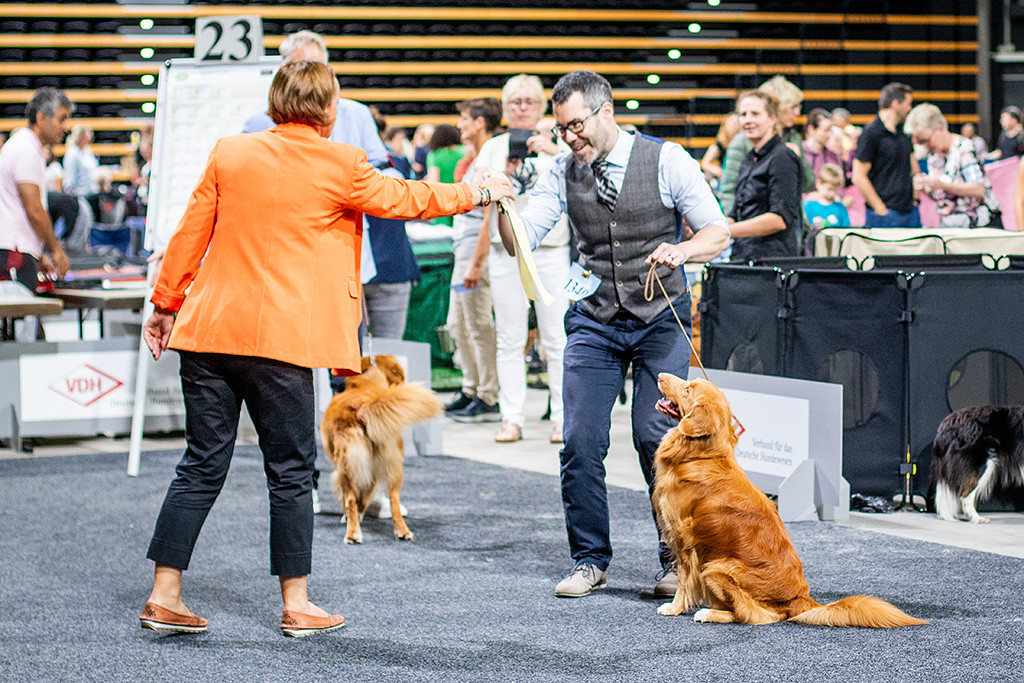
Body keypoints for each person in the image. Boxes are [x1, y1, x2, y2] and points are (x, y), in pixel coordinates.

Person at [138, 60, 512, 637]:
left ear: (274, 101)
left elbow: (190, 234)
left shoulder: (229, 153)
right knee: (289, 472)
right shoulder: (340, 162)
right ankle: (297, 604)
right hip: (279, 342)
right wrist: (477, 190)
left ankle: (165, 594)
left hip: (207, 333)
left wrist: (165, 306)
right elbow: (406, 199)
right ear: (330, 110)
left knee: (200, 463)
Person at [495, 70, 729, 598]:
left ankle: (674, 559)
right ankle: (589, 559)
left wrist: (683, 250)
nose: (570, 137)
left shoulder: (667, 159)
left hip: (659, 320)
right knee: (578, 439)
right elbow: (520, 243)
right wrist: (502, 206)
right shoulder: (560, 171)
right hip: (593, 320)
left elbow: (716, 230)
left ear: (606, 112)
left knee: (656, 437)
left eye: (576, 125)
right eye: (562, 129)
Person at [474, 73, 571, 443]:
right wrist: (503, 178)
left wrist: (551, 150)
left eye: (529, 101)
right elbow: (479, 192)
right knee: (509, 338)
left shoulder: (560, 145)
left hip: (551, 249)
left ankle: (562, 418)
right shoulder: (494, 148)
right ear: (505, 107)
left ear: (541, 107)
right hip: (506, 250)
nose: (522, 107)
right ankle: (511, 417)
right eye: (515, 101)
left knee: (557, 338)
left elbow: (582, 179)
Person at [444, 97, 503, 423]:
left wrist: (477, 262)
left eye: (465, 119)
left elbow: (488, 216)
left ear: (480, 122)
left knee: (479, 324)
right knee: (459, 324)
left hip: (474, 252)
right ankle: (471, 388)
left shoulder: (491, 158)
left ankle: (488, 396)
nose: (460, 125)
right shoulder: (474, 159)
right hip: (462, 249)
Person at [0, 87, 71, 296]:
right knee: (20, 325)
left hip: (16, 250)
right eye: (61, 119)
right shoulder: (26, 149)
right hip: (13, 252)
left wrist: (38, 254)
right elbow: (33, 209)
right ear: (41, 118)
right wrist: (57, 250)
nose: (66, 127)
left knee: (27, 325)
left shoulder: (24, 146)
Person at [718, 76, 814, 216]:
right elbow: (728, 191)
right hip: (752, 226)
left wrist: (797, 161)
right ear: (778, 108)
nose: (797, 112)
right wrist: (733, 227)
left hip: (790, 224)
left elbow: (808, 184)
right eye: (793, 107)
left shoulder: (793, 137)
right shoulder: (742, 141)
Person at [728, 90, 803, 261]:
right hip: (742, 257)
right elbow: (736, 214)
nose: (747, 120)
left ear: (772, 118)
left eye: (755, 114)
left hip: (770, 264)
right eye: (743, 114)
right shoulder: (749, 158)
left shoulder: (782, 157)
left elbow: (779, 219)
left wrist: (725, 231)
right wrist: (707, 228)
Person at [906, 103, 1001, 228]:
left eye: (926, 140)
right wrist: (925, 187)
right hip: (952, 225)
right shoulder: (934, 157)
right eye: (921, 143)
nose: (925, 146)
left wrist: (940, 184)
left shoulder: (964, 148)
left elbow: (978, 189)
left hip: (980, 225)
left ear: (940, 128)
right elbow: (942, 198)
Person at [852, 82, 920, 228]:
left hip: (910, 213)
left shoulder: (904, 133)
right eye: (908, 104)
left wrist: (916, 200)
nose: (910, 108)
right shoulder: (871, 133)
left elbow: (914, 169)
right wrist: (880, 208)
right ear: (896, 104)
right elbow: (858, 176)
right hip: (884, 216)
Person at [425, 124, 465, 226]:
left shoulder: (434, 155)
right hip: (463, 198)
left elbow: (433, 183)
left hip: (443, 202)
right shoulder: (464, 151)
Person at [802, 108, 845, 185]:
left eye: (830, 130)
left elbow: (840, 187)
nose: (829, 134)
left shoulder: (833, 156)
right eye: (826, 130)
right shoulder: (799, 153)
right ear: (811, 129)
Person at [803, 163, 851, 229]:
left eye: (835, 190)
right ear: (818, 183)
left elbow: (845, 229)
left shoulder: (840, 208)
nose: (832, 193)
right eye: (829, 189)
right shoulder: (808, 206)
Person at [699, 112, 739, 186]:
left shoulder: (745, 143)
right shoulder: (719, 146)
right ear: (724, 125)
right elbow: (704, 163)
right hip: (724, 181)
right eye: (731, 123)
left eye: (737, 123)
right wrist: (720, 172)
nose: (735, 126)